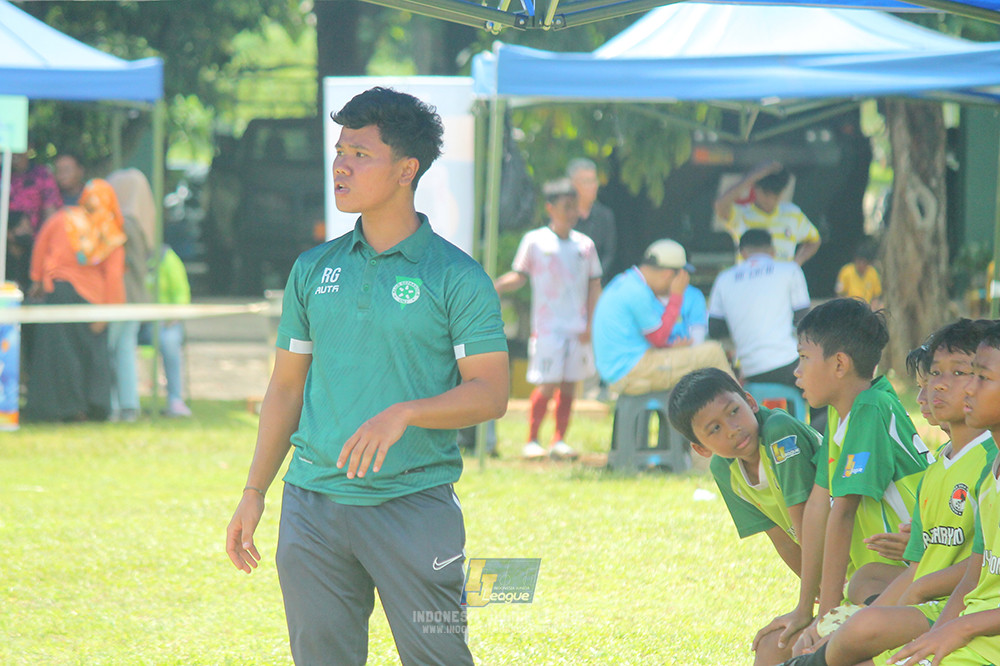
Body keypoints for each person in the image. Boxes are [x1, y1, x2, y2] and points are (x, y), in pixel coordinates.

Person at [225, 87, 509, 665]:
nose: (340, 164)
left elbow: (492, 392)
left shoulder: (457, 276)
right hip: (311, 507)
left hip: (414, 506)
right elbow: (285, 389)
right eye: (339, 149)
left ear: (407, 170)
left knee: (439, 658)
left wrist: (407, 412)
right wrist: (254, 493)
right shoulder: (312, 269)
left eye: (359, 153)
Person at [779, 319, 996, 666]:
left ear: (839, 363)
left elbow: (971, 571)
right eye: (933, 376)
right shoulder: (938, 467)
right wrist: (823, 615)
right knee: (859, 602)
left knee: (858, 630)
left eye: (962, 374)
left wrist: (827, 615)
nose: (937, 388)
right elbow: (919, 568)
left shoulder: (987, 463)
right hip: (937, 602)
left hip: (958, 609)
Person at [766, 298, 933, 655]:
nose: (796, 371)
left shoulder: (870, 409)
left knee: (808, 650)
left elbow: (842, 513)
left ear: (839, 363)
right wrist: (805, 607)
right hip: (883, 576)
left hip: (918, 574)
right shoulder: (842, 413)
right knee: (774, 647)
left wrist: (826, 618)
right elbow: (818, 506)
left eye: (803, 357)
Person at [668, 368, 823, 665]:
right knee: (769, 647)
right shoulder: (724, 470)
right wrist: (816, 594)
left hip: (869, 563)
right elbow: (783, 540)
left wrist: (809, 609)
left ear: (751, 402)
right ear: (701, 448)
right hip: (834, 579)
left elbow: (806, 524)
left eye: (734, 412)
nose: (732, 429)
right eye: (714, 429)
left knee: (808, 649)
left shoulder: (779, 432)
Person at [888, 321, 1000, 666]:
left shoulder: (981, 464)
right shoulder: (989, 478)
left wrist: (959, 629)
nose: (967, 389)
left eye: (980, 377)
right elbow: (973, 578)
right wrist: (938, 636)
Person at [494, 178, 602, 460]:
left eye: (574, 206)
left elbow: (594, 285)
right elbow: (520, 275)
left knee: (569, 384)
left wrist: (591, 324)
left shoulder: (585, 246)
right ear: (550, 208)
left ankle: (559, 440)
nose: (571, 213)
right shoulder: (535, 241)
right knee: (547, 382)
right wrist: (494, 285)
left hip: (576, 328)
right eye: (565, 207)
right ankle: (531, 439)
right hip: (547, 327)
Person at [23, 179, 125, 422]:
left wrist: (37, 278)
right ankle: (90, 409)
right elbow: (113, 277)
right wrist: (109, 314)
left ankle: (53, 410)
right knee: (90, 356)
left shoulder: (62, 219)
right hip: (93, 301)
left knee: (55, 355)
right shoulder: (111, 234)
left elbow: (40, 247)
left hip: (58, 294)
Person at [592, 238, 731, 396]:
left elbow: (651, 341)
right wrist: (677, 296)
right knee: (712, 353)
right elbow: (659, 338)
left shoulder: (627, 281)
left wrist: (671, 350)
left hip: (621, 368)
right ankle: (745, 414)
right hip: (630, 371)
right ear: (667, 274)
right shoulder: (638, 292)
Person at [708, 229, 811, 388]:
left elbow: (715, 329)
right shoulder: (790, 270)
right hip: (789, 364)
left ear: (742, 252)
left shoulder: (723, 279)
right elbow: (805, 321)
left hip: (750, 370)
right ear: (772, 250)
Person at [107, 168, 155, 422]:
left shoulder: (120, 224)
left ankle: (113, 405)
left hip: (117, 298)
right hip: (135, 298)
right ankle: (129, 406)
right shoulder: (142, 226)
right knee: (125, 349)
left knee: (110, 349)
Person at [714, 162, 821, 266]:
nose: (771, 201)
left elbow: (814, 240)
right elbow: (720, 205)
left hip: (782, 282)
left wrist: (797, 263)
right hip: (750, 281)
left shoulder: (793, 214)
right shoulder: (741, 214)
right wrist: (753, 176)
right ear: (755, 188)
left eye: (776, 195)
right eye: (766, 194)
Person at [5, 149, 62, 288]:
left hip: (35, 245)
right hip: (5, 243)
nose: (15, 154)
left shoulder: (42, 174)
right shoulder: (4, 174)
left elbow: (51, 215)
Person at [151, 245, 193, 417]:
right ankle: (122, 403)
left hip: (168, 323)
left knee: (169, 343)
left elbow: (182, 295)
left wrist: (171, 318)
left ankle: (175, 400)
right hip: (141, 324)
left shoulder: (168, 258)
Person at [568, 158, 617, 282]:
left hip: (596, 285)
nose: (593, 186)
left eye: (594, 180)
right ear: (572, 184)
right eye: (587, 182)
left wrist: (593, 277)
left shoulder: (605, 216)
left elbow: (609, 254)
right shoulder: (563, 216)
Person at [834, 240, 882, 308]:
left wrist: (872, 310)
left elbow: (876, 296)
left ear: (868, 263)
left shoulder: (872, 273)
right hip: (849, 308)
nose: (861, 265)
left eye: (864, 262)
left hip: (866, 309)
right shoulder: (846, 271)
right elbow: (839, 295)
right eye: (859, 261)